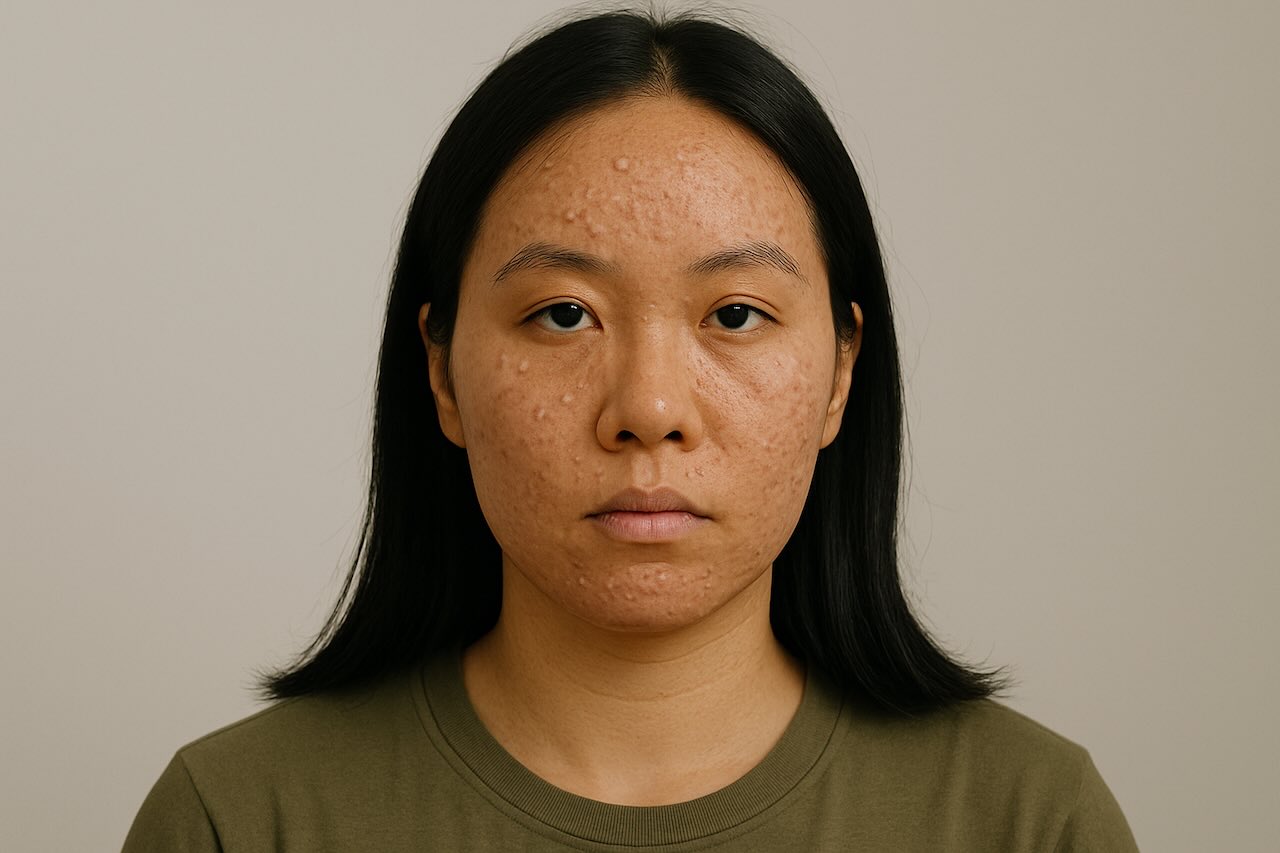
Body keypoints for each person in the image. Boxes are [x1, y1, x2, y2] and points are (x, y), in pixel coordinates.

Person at [123, 8, 1138, 851]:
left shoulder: (1023, 819)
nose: (648, 409)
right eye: (562, 314)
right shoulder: (241, 820)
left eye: (734, 315)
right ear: (439, 371)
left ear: (837, 372)